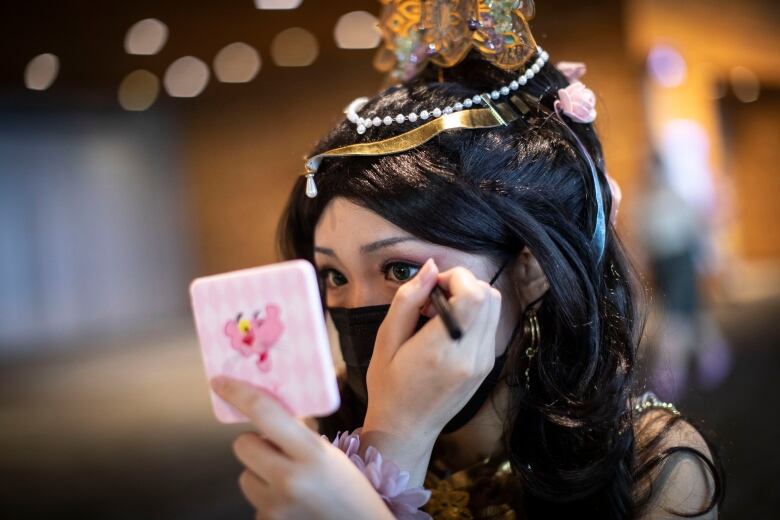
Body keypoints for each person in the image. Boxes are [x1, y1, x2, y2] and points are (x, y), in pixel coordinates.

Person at [210, 1, 724, 518]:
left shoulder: (654, 468)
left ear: (529, 268)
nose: (360, 308)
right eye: (334, 275)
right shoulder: (319, 452)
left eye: (400, 270)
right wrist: (392, 446)